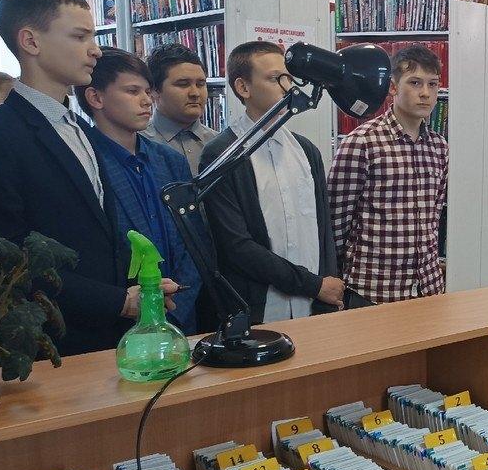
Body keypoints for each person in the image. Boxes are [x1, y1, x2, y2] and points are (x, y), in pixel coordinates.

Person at [0, 0, 179, 356]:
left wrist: (140, 289)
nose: (95, 50)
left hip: (109, 336)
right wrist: (116, 301)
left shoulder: (78, 128)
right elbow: (8, 258)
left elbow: (99, 235)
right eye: (80, 37)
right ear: (31, 42)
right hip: (52, 344)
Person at [200, 40, 344, 325]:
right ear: (243, 87)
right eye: (274, 79)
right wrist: (312, 284)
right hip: (258, 308)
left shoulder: (306, 150)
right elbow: (236, 246)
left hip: (314, 304)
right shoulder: (222, 153)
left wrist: (327, 285)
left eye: (288, 78)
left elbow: (322, 229)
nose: (287, 88)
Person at [75, 47, 201, 332]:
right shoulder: (84, 163)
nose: (146, 100)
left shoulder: (170, 160)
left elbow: (195, 243)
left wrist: (176, 309)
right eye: (132, 91)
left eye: (147, 91)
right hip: (121, 322)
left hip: (179, 316)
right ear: (96, 97)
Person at [328, 43, 448, 304]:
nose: (425, 93)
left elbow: (433, 218)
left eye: (433, 84)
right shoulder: (362, 142)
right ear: (393, 87)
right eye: (415, 83)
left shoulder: (439, 147)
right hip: (374, 289)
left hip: (427, 287)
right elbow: (336, 221)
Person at [142, 43, 216, 173]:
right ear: (154, 90)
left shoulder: (220, 145)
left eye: (200, 84)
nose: (195, 93)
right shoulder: (138, 144)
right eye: (183, 84)